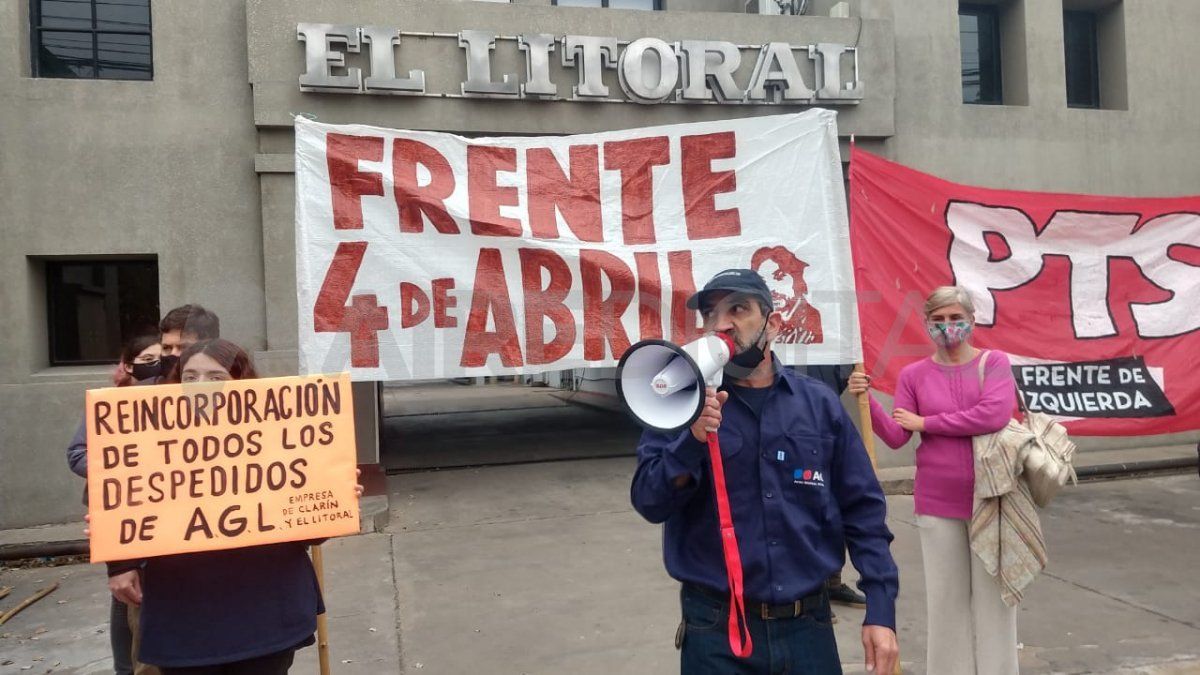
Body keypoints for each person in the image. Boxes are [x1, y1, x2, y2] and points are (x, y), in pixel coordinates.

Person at [631, 268, 899, 675]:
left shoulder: (819, 405)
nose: (721, 323)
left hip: (808, 627)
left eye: (738, 309)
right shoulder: (679, 405)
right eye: (710, 314)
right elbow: (650, 501)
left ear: (772, 324)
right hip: (715, 629)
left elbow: (862, 509)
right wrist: (691, 442)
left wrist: (881, 608)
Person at [103, 339, 361, 674]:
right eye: (190, 377)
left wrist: (334, 498)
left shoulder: (281, 437)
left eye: (216, 377)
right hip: (183, 617)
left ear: (242, 383)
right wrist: (120, 563)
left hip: (265, 612)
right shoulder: (144, 442)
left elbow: (310, 534)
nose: (201, 386)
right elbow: (123, 508)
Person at [848, 285, 1018, 675]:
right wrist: (867, 400)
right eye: (938, 319)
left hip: (993, 498)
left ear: (972, 320)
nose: (947, 326)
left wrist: (927, 423)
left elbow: (993, 415)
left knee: (997, 604)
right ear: (926, 324)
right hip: (937, 503)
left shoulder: (994, 363)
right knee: (946, 604)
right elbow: (897, 435)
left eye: (956, 318)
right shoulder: (914, 375)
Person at [67, 304, 221, 674]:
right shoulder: (129, 401)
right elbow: (79, 453)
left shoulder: (231, 394)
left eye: (182, 347)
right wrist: (137, 468)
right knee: (147, 658)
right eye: (166, 347)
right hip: (148, 554)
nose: (172, 356)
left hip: (213, 557)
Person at [67, 333, 160, 675]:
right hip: (124, 519)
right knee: (127, 598)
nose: (157, 364)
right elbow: (77, 453)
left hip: (163, 528)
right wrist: (121, 468)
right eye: (147, 359)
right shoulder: (111, 407)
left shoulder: (176, 401)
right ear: (129, 365)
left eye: (162, 356)